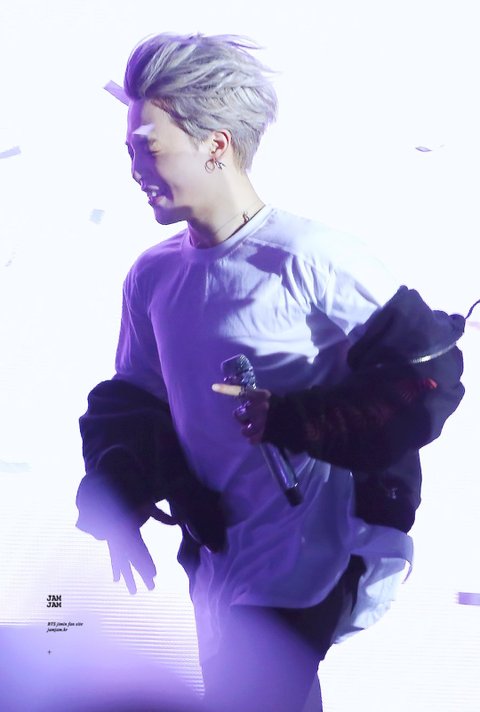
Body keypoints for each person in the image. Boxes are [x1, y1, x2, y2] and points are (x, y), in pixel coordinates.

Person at [75, 33, 464, 712]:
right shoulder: (152, 278)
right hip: (219, 561)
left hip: (316, 548)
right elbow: (133, 403)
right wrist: (120, 494)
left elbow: (427, 374)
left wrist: (298, 421)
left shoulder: (315, 260)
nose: (135, 168)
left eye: (148, 147)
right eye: (129, 151)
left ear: (215, 145)